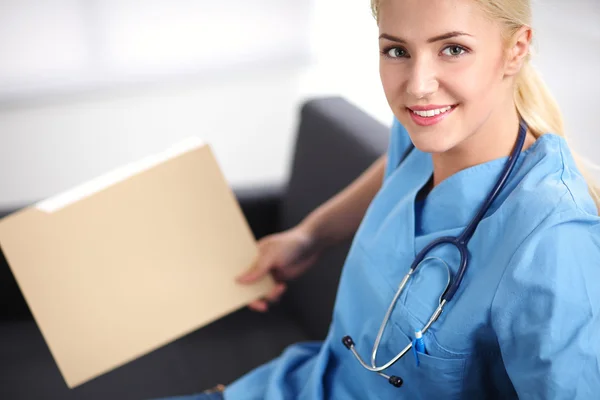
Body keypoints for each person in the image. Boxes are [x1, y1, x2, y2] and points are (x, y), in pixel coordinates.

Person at [164, 0, 600, 398]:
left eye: (452, 49)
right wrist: (310, 235)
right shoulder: (424, 135)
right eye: (397, 51)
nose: (417, 86)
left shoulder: (552, 241)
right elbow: (396, 168)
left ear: (516, 49)